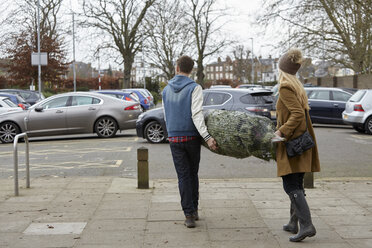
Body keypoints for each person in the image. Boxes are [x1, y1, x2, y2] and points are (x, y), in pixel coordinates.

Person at [162, 55, 217, 228]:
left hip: (174, 138)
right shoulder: (195, 88)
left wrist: (170, 133)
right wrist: (207, 138)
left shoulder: (165, 90)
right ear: (191, 69)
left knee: (183, 176)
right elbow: (196, 114)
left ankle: (188, 215)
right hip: (191, 137)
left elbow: (166, 115)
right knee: (193, 174)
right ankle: (194, 210)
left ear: (177, 68)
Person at [274, 48, 320, 242]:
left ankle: (307, 225)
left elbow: (297, 115)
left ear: (283, 69)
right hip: (302, 141)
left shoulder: (285, 87)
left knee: (290, 184)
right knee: (297, 183)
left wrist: (280, 131)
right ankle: (294, 223)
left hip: (293, 143)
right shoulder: (297, 85)